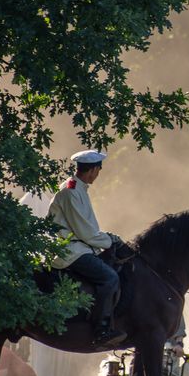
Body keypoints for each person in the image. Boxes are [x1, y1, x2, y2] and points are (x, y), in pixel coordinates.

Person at [48, 149, 126, 347]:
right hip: (70, 251)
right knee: (110, 277)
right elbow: (86, 233)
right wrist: (111, 240)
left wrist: (107, 238)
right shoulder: (72, 191)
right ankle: (101, 330)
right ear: (92, 170)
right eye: (98, 170)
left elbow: (86, 229)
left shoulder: (77, 188)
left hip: (78, 247)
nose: (98, 174)